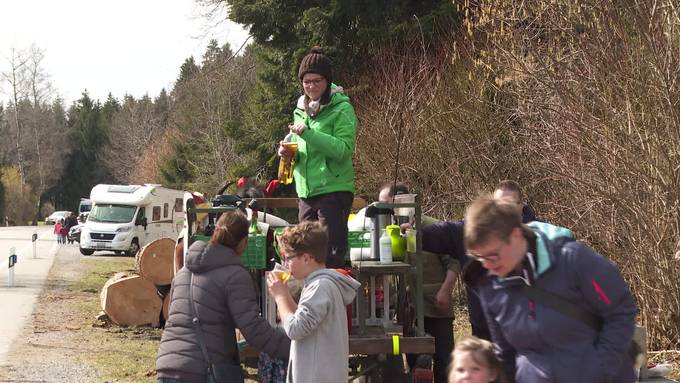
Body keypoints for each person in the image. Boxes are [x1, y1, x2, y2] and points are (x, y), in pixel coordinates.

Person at [463, 195, 637, 383]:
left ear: (515, 235)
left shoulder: (574, 260)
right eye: (479, 257)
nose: (487, 265)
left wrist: (602, 370)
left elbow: (620, 312)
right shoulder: (489, 285)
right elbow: (506, 354)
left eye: (493, 255)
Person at [156, 211, 290, 383]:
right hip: (204, 370)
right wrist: (294, 348)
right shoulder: (235, 275)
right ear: (243, 243)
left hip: (168, 365)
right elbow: (253, 329)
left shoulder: (183, 273)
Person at [277, 46, 358, 269]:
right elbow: (298, 143)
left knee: (330, 258)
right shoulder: (299, 110)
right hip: (306, 193)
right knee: (306, 258)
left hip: (333, 191)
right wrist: (286, 151)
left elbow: (342, 150)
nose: (311, 86)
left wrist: (309, 134)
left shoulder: (342, 109)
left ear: (328, 81)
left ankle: (333, 302)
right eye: (306, 81)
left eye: (317, 81)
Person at [266, 221, 360, 383]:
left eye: (288, 258)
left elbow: (296, 329)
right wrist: (284, 293)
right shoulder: (321, 284)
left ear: (307, 258)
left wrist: (280, 296)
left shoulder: (319, 287)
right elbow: (305, 321)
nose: (286, 264)